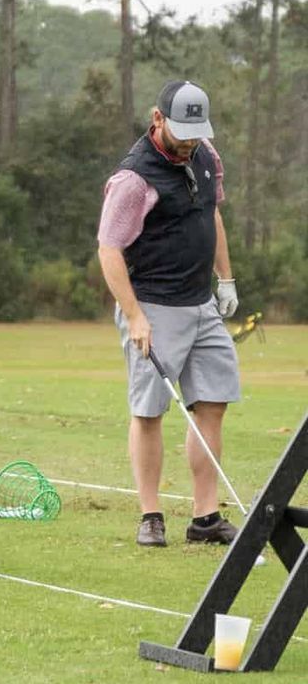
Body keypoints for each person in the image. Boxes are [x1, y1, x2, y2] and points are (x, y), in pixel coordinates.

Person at [97, 80, 241, 548]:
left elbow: (212, 216)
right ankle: (150, 515)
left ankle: (204, 518)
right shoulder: (134, 178)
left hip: (202, 305)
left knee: (213, 403)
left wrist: (226, 280)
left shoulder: (204, 155)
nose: (190, 140)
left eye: (197, 131)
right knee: (150, 410)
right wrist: (135, 316)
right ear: (157, 119)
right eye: (182, 131)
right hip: (155, 305)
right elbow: (109, 250)